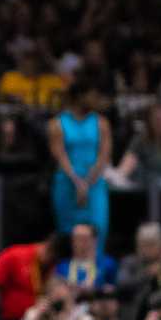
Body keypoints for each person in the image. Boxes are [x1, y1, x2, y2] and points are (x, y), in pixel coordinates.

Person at [47, 78, 112, 240]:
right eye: (92, 96)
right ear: (80, 96)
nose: (96, 100)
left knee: (98, 230)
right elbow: (59, 155)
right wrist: (77, 182)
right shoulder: (57, 124)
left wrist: (87, 183)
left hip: (94, 183)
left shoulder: (102, 123)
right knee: (68, 235)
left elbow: (104, 156)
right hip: (67, 182)